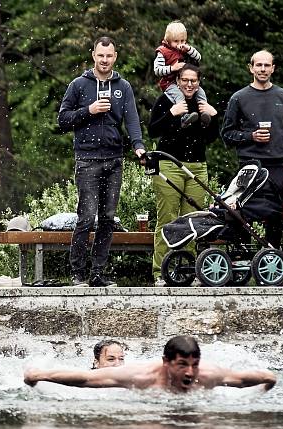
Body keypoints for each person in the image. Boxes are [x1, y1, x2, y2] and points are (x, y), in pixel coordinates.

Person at [58, 36, 146, 288]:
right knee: (86, 217)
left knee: (108, 218)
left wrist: (138, 146)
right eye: (100, 55)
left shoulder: (123, 86)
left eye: (109, 56)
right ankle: (78, 273)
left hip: (114, 158)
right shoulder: (79, 85)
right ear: (93, 55)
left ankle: (98, 273)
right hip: (87, 158)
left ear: (115, 57)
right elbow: (62, 120)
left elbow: (132, 120)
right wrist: (89, 110)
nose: (104, 60)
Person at [148, 65, 219, 286]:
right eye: (185, 80)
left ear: (198, 82)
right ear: (178, 81)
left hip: (197, 166)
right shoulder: (166, 100)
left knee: (194, 220)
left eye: (193, 81)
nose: (189, 84)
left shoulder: (202, 103)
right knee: (167, 218)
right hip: (170, 164)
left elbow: (212, 137)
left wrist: (213, 116)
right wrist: (172, 114)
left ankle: (189, 270)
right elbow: (153, 130)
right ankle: (161, 271)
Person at [221, 50, 283, 249]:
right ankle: (241, 262)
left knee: (276, 218)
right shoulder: (238, 98)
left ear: (273, 68)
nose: (262, 69)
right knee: (241, 214)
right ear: (251, 68)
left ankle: (273, 263)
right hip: (249, 166)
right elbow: (227, 135)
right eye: (258, 65)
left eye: (266, 65)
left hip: (278, 167)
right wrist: (250, 136)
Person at [25, 335, 276, 393]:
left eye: (194, 365)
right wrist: (40, 374)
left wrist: (268, 378)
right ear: (166, 362)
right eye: (182, 365)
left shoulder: (208, 375)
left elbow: (242, 380)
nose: (190, 373)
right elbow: (86, 379)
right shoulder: (141, 376)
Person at [153, 21, 209, 128]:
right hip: (170, 83)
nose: (180, 44)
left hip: (184, 80)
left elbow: (198, 57)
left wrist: (189, 49)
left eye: (182, 41)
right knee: (179, 96)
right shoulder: (162, 52)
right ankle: (184, 118)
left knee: (200, 92)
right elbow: (157, 70)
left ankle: (204, 114)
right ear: (168, 41)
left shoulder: (185, 49)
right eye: (176, 41)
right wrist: (172, 68)